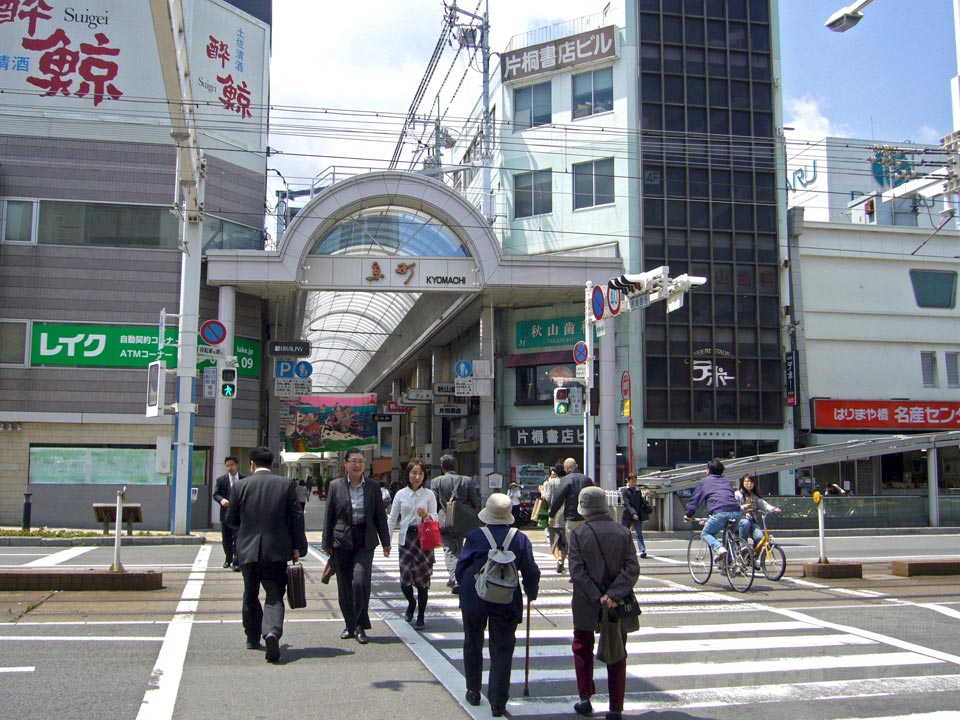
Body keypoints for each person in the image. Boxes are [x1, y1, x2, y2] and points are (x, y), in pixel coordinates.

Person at [455, 493, 540, 718]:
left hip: (475, 596)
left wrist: (464, 587)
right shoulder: (520, 538)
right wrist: (531, 592)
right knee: (502, 648)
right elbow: (531, 571)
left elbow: (461, 567)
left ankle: (473, 690)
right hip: (506, 598)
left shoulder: (475, 536)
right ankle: (498, 702)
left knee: (473, 642)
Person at [225, 446, 307, 663]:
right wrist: (298, 547)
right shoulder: (285, 484)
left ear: (252, 465)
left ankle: (252, 637)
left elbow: (231, 520)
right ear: (272, 465)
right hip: (276, 549)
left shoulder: (240, 486)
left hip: (248, 549)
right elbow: (296, 517)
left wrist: (247, 529)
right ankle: (271, 631)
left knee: (250, 593)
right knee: (274, 593)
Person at [568, 486, 639, 720]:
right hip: (617, 602)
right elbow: (632, 569)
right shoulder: (623, 532)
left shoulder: (578, 534)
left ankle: (585, 698)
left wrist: (597, 596)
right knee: (617, 650)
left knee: (582, 646)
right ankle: (615, 707)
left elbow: (577, 571)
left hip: (586, 600)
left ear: (584, 509)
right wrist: (612, 595)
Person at [322, 448, 392, 645]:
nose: (357, 465)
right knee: (344, 585)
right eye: (353, 461)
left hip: (365, 540)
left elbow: (379, 515)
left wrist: (386, 542)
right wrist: (326, 542)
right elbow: (329, 515)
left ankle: (361, 625)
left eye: (361, 461)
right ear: (345, 464)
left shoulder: (373, 486)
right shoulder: (335, 486)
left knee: (361, 582)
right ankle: (349, 625)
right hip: (341, 540)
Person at [387, 458, 437, 630]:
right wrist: (386, 542)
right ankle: (411, 602)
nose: (417, 477)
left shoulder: (429, 495)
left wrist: (426, 516)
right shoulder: (400, 494)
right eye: (414, 473)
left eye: (420, 473)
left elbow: (435, 518)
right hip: (406, 539)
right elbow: (392, 518)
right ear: (407, 474)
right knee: (405, 581)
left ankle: (421, 616)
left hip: (424, 540)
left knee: (423, 582)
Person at [432, 453, 481, 594]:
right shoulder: (466, 480)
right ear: (456, 466)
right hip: (462, 520)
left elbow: (433, 504)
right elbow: (475, 502)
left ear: (442, 467)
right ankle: (456, 576)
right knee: (459, 548)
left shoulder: (436, 482)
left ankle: (456, 578)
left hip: (444, 521)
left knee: (449, 550)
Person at [682, 458, 743, 561]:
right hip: (737, 512)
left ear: (709, 470)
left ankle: (718, 548)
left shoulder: (705, 482)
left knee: (706, 533)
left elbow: (695, 500)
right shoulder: (727, 481)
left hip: (720, 512)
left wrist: (688, 515)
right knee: (730, 535)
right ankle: (730, 562)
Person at [549, 457, 594, 550]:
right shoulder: (587, 479)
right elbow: (594, 496)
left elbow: (559, 498)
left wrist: (552, 515)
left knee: (573, 546)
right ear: (576, 466)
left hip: (572, 517)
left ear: (566, 468)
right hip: (586, 517)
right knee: (585, 545)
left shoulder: (565, 480)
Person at [213, 455, 244, 571]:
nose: (230, 468)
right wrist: (222, 500)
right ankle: (228, 558)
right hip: (226, 514)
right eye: (227, 466)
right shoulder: (221, 480)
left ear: (237, 465)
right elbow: (216, 494)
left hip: (240, 515)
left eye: (232, 465)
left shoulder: (244, 479)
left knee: (239, 538)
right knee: (226, 538)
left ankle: (237, 560)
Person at [736, 474, 781, 548]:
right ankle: (742, 546)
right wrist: (743, 508)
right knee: (745, 522)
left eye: (751, 482)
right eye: (747, 481)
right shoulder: (737, 494)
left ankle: (753, 554)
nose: (749, 484)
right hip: (739, 520)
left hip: (751, 521)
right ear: (742, 483)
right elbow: (734, 507)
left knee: (759, 538)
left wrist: (774, 509)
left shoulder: (754, 496)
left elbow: (764, 505)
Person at [540, 464, 567, 573]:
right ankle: (563, 561)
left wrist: (542, 491)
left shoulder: (551, 482)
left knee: (554, 540)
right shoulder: (567, 481)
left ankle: (558, 559)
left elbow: (547, 497)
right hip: (566, 516)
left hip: (553, 515)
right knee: (565, 542)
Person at [620, 473, 653, 559]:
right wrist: (633, 513)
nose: (634, 483)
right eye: (632, 481)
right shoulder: (625, 491)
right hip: (627, 515)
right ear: (628, 481)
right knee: (625, 534)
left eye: (635, 481)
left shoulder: (637, 491)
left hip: (637, 515)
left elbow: (641, 502)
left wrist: (645, 498)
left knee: (639, 533)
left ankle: (642, 550)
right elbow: (627, 504)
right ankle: (624, 550)